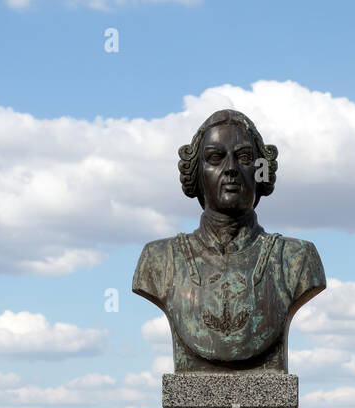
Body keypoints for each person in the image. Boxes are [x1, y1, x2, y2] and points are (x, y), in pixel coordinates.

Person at [132, 109, 326, 372]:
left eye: (245, 158)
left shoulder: (298, 259)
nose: (231, 168)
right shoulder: (158, 260)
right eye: (215, 157)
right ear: (196, 173)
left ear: (261, 172)